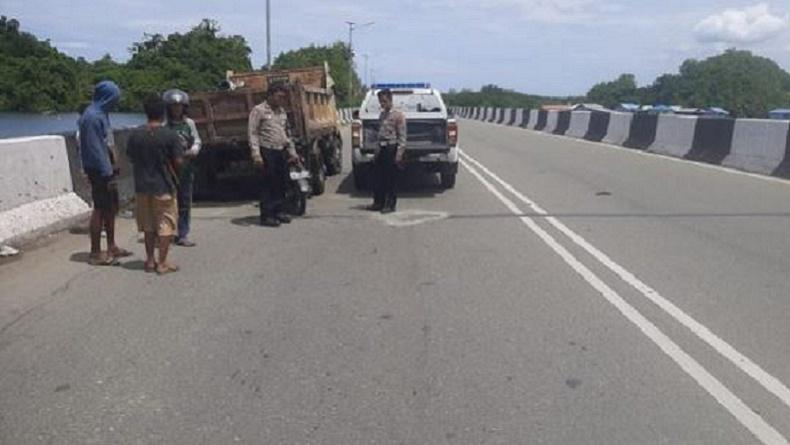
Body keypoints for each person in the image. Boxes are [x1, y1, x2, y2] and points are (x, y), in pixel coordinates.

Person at [126, 95, 184, 275]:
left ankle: (150, 260)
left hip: (142, 186)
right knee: (165, 223)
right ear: (164, 113)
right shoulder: (170, 135)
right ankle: (162, 262)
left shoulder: (135, 134)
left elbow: (130, 157)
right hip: (164, 185)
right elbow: (178, 161)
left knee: (148, 225)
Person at [78, 80, 132, 265]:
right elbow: (95, 148)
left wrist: (114, 164)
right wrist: (107, 171)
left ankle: (111, 245)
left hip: (106, 168)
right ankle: (95, 252)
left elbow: (107, 142)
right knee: (100, 209)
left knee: (110, 208)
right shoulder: (92, 117)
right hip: (100, 170)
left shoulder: (101, 114)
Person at [248, 83, 299, 227]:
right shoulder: (259, 110)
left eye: (283, 97)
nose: (281, 100)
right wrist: (256, 154)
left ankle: (279, 211)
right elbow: (253, 133)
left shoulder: (282, 112)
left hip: (280, 151)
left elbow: (286, 134)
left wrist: (292, 152)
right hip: (266, 151)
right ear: (270, 95)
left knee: (281, 183)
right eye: (279, 96)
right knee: (267, 184)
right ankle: (267, 216)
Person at [163, 89, 202, 247]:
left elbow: (197, 141)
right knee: (168, 202)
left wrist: (192, 151)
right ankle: (167, 232)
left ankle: (183, 233)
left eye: (179, 106)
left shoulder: (189, 123)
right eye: (173, 106)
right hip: (168, 168)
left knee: (185, 201)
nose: (176, 109)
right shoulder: (164, 125)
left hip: (186, 167)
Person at [367, 89, 407, 214]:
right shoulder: (382, 115)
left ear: (390, 100)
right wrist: (376, 153)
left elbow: (402, 137)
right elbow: (380, 135)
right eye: (380, 101)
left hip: (391, 148)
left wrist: (399, 154)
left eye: (384, 101)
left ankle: (390, 204)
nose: (382, 104)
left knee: (390, 179)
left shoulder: (398, 115)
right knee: (378, 177)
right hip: (382, 148)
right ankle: (379, 202)